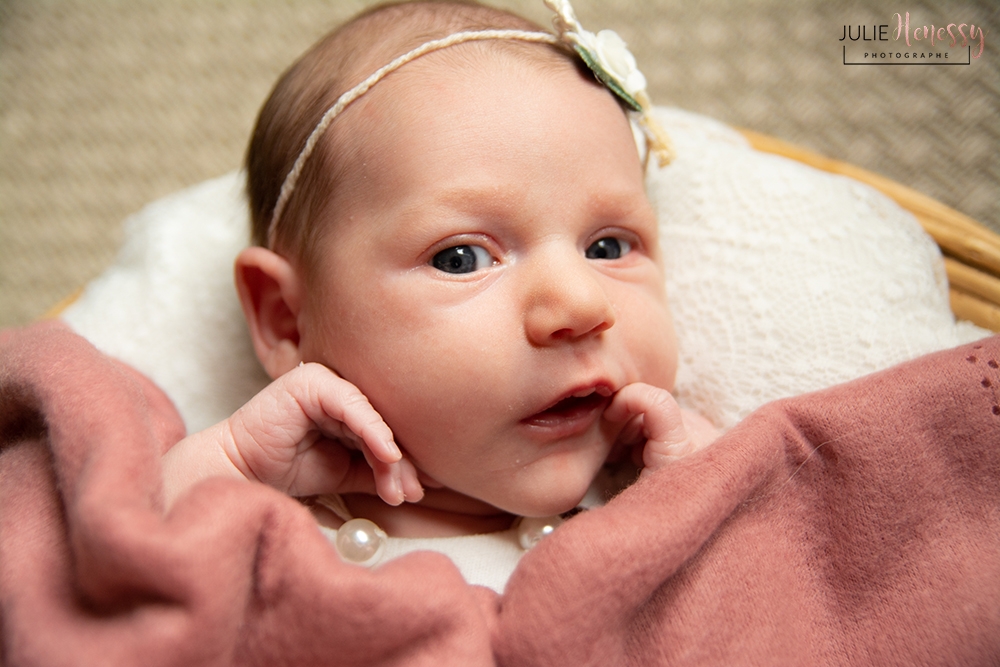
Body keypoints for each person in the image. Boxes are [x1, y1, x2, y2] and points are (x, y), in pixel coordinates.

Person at [161, 0, 717, 580]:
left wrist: (701, 501)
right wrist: (226, 467)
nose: (581, 306)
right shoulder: (264, 517)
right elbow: (115, 575)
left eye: (607, 248)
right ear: (286, 319)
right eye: (461, 258)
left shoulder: (671, 477)